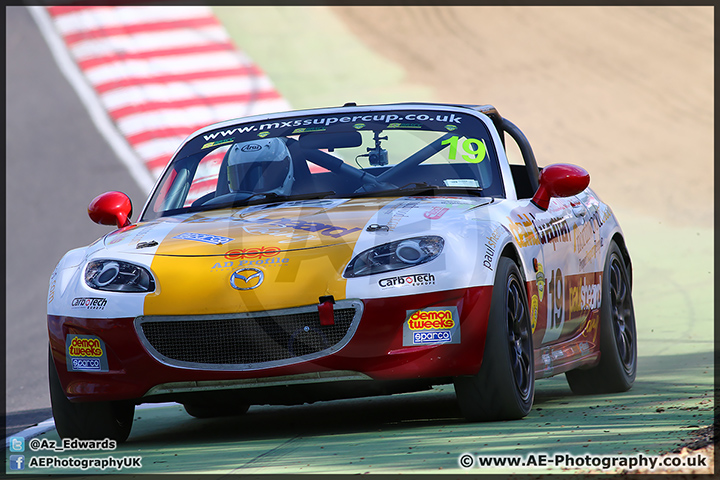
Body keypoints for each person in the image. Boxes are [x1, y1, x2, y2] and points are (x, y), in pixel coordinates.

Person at [226, 138, 294, 196]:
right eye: (243, 176)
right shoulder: (222, 207)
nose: (254, 184)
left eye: (266, 174)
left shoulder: (302, 207)